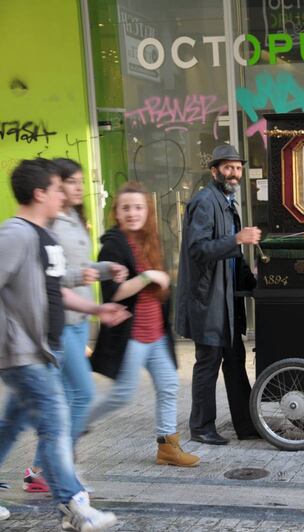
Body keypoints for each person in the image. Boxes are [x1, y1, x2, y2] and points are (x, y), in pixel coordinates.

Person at [0, 158, 127, 530]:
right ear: (40, 194)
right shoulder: (16, 234)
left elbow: (54, 291)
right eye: (58, 188)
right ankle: (74, 504)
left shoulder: (46, 236)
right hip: (22, 351)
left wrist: (96, 307)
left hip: (44, 350)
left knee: (11, 423)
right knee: (55, 420)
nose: (64, 195)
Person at [87, 181, 199, 468]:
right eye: (126, 208)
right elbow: (114, 293)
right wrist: (148, 276)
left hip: (155, 333)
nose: (132, 213)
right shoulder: (113, 244)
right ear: (117, 212)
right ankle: (73, 427)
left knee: (169, 384)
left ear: (146, 210)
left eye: (138, 207)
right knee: (121, 395)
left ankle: (167, 447)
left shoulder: (148, 240)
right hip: (132, 335)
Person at [176, 145, 260, 445]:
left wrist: (252, 282)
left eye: (237, 168)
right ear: (214, 171)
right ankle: (200, 427)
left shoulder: (227, 203)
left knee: (234, 360)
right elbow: (198, 249)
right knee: (208, 362)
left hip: (225, 302)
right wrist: (237, 238)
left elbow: (233, 256)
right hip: (208, 300)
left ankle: (247, 425)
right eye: (227, 168)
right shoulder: (205, 202)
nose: (233, 173)